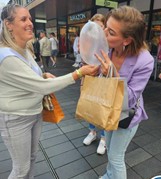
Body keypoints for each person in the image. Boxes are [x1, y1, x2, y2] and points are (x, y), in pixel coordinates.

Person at [0, 4, 99, 179]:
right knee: (21, 169)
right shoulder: (6, 56)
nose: (30, 23)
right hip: (16, 119)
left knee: (31, 158)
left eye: (30, 18)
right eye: (23, 19)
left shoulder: (24, 49)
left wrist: (43, 74)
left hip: (34, 112)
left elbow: (32, 76)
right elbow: (41, 87)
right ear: (8, 24)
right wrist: (78, 73)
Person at [95, 6, 154, 179]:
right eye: (105, 27)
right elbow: (99, 77)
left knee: (116, 156)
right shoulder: (107, 49)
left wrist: (111, 74)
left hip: (126, 116)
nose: (104, 33)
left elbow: (129, 100)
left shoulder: (145, 61)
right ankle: (108, 175)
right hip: (107, 110)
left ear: (127, 40)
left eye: (111, 32)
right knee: (109, 152)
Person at [83, 14, 107, 155]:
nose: (97, 30)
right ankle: (92, 132)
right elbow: (84, 64)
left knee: (104, 109)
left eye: (101, 26)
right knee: (91, 108)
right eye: (94, 27)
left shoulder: (109, 44)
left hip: (105, 82)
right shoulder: (88, 43)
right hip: (91, 81)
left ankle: (104, 139)